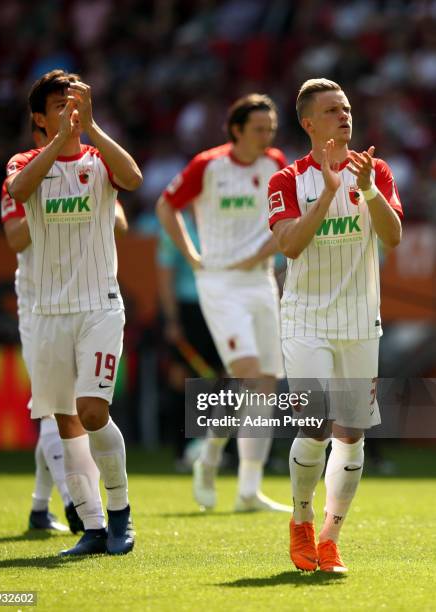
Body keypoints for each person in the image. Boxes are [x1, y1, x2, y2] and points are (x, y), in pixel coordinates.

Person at [5, 69, 142, 556]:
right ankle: (93, 525)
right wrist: (60, 140)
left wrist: (93, 129)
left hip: (99, 304)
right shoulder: (24, 162)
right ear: (39, 117)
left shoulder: (99, 159)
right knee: (66, 423)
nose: (71, 111)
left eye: (77, 102)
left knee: (92, 410)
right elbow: (19, 193)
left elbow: (133, 179)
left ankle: (122, 512)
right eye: (60, 105)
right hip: (47, 311)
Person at [268, 78, 403, 572]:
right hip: (305, 321)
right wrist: (326, 195)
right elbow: (289, 246)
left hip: (360, 322)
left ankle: (329, 537)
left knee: (352, 435)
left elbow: (393, 236)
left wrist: (365, 189)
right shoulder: (286, 180)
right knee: (314, 425)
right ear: (308, 123)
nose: (344, 116)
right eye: (332, 110)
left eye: (346, 108)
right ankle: (301, 522)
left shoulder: (377, 171)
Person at [157, 93, 291, 513]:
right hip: (220, 283)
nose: (266, 135)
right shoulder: (208, 166)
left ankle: (249, 489)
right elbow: (166, 205)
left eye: (270, 128)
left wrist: (263, 254)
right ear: (236, 130)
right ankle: (210, 455)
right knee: (248, 373)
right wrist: (192, 255)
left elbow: (286, 218)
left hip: (261, 281)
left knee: (266, 384)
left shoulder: (275, 163)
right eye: (258, 128)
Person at [1, 123, 82, 534]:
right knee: (54, 410)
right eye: (58, 109)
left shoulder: (88, 164)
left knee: (67, 409)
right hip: (38, 305)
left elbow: (118, 219)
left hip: (80, 301)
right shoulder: (21, 168)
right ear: (38, 127)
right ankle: (75, 504)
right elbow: (15, 237)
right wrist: (49, 201)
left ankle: (38, 507)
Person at [157, 207, 223, 471]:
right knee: (181, 379)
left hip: (220, 308)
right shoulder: (176, 224)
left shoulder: (224, 220)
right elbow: (165, 274)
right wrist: (172, 319)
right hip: (188, 310)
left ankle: (218, 451)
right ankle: (182, 449)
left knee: (224, 379)